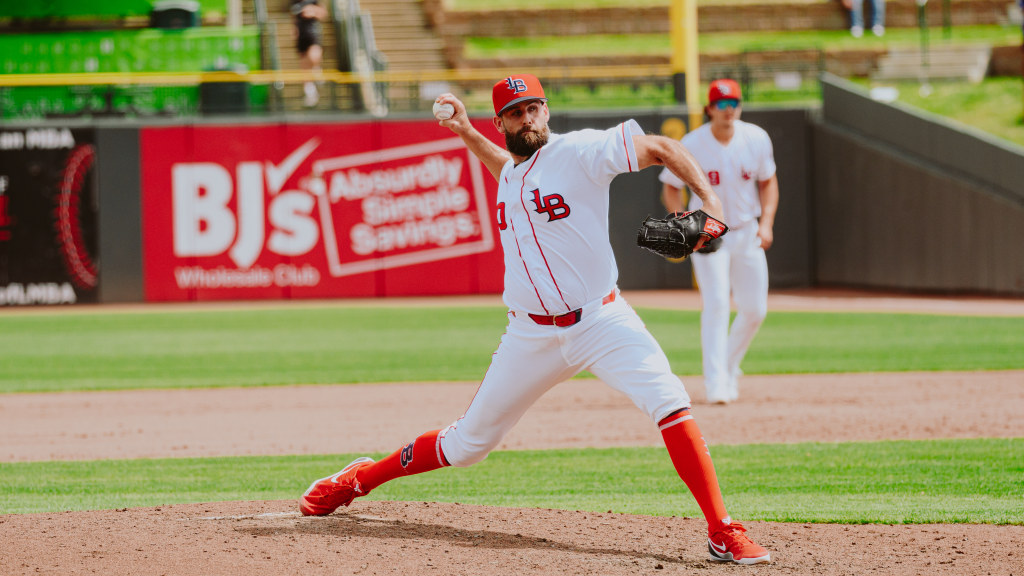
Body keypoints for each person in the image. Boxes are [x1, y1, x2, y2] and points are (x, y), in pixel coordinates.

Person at [299, 74, 771, 565]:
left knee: (670, 401)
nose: (528, 117)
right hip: (530, 334)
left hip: (602, 322)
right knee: (466, 446)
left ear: (546, 110)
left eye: (534, 107)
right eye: (516, 111)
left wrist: (710, 204)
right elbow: (510, 167)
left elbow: (663, 147)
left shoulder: (580, 152)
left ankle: (722, 529)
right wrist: (464, 131)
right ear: (501, 121)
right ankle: (357, 479)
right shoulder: (513, 173)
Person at [659, 79, 779, 405]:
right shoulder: (692, 142)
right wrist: (684, 223)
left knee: (755, 309)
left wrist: (766, 223)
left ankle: (726, 366)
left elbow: (768, 182)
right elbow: (670, 185)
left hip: (746, 228)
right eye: (722, 104)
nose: (729, 110)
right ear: (710, 108)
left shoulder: (755, 137)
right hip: (709, 231)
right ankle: (716, 383)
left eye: (734, 104)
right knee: (717, 304)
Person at [291, 0, 328, 107]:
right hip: (301, 35)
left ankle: (316, 69)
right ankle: (310, 92)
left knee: (314, 56)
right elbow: (293, 17)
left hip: (312, 32)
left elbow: (323, 13)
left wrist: (313, 11)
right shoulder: (295, 2)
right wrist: (294, 30)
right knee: (304, 66)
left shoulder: (313, 1)